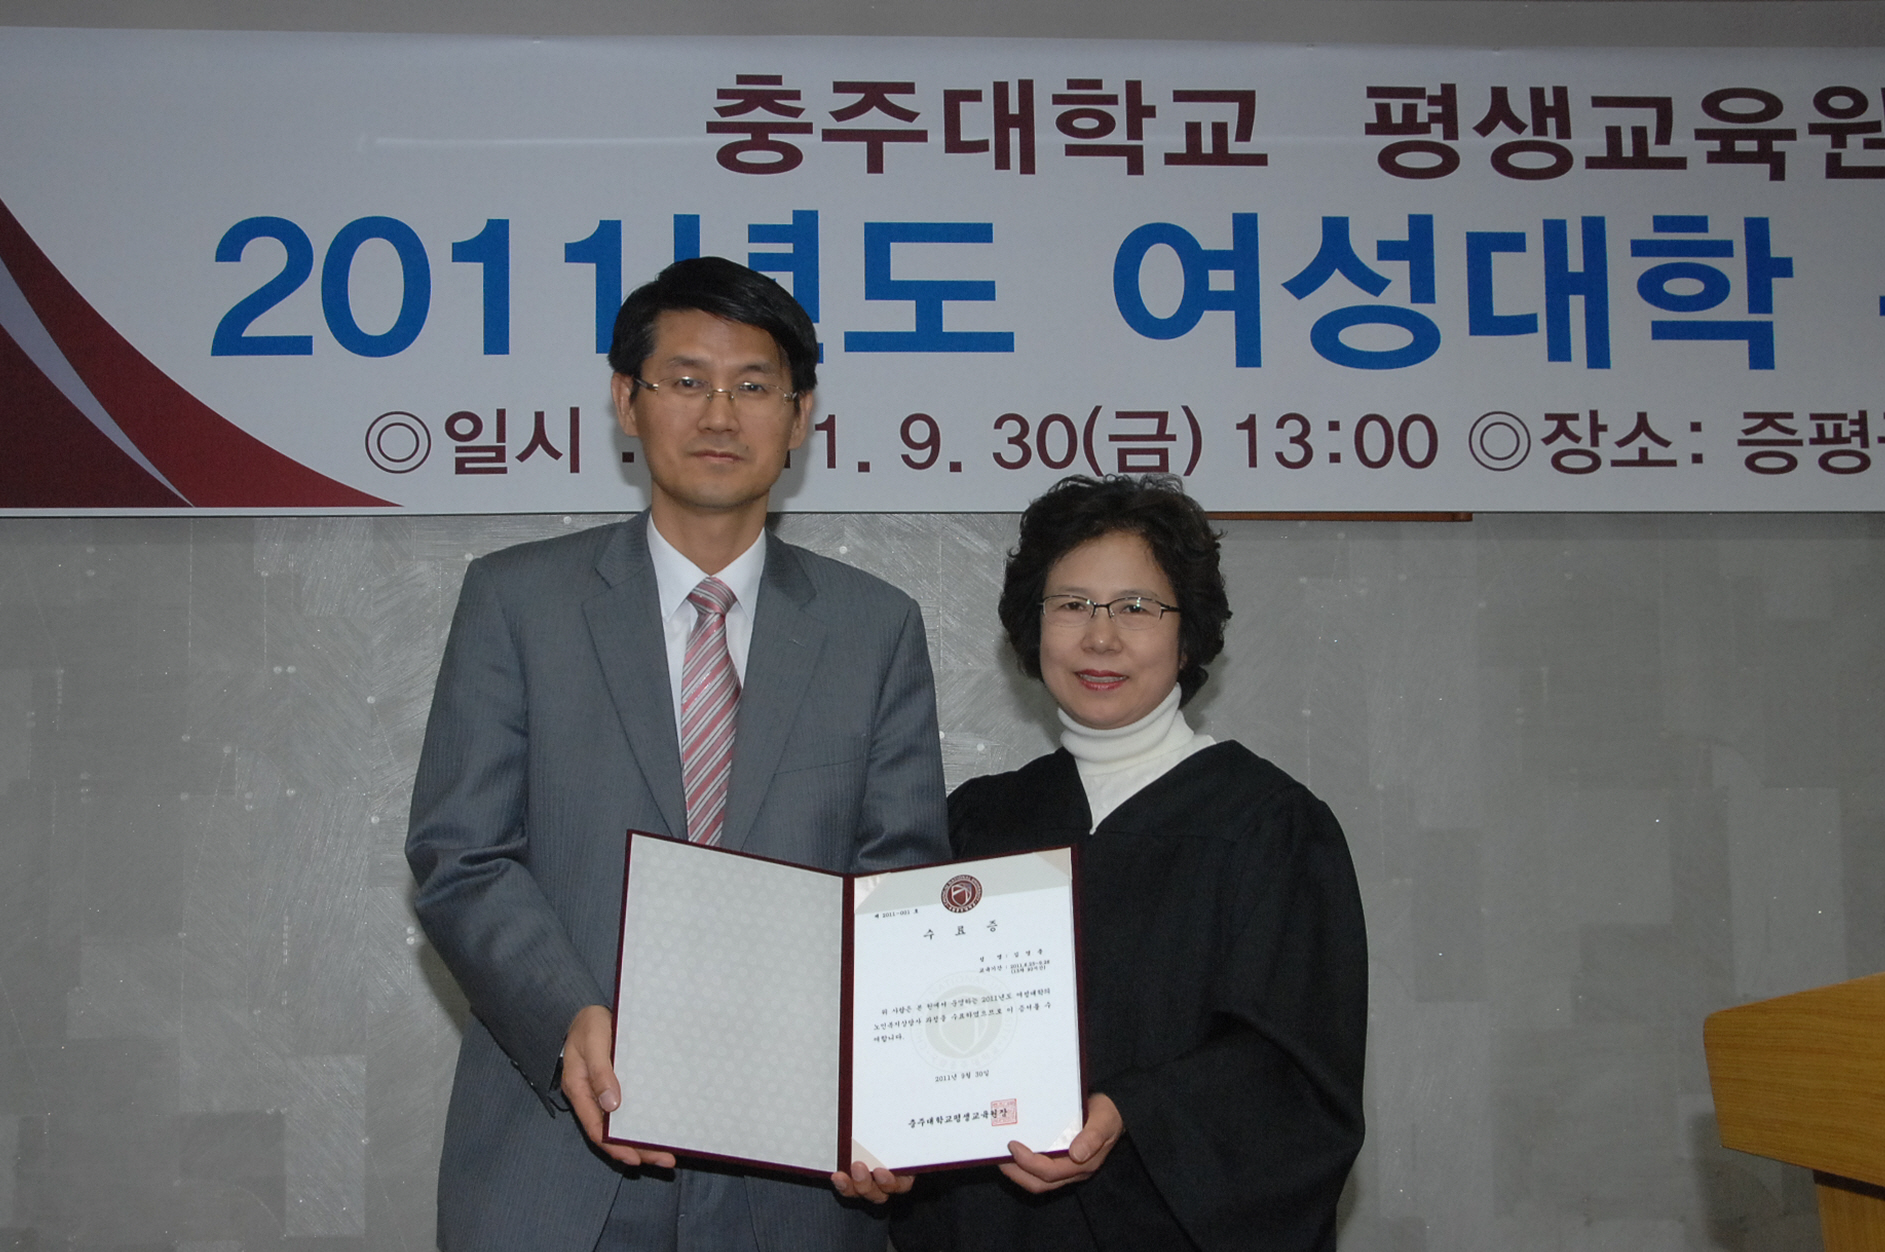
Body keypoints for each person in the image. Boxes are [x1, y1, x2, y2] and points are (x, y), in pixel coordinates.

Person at [406, 256, 948, 1251]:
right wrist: (564, 1016)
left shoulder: (873, 629)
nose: (719, 414)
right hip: (556, 1159)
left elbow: (899, 887)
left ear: (799, 416)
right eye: (686, 380)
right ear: (627, 400)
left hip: (795, 1178)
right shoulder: (516, 603)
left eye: (753, 386)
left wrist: (893, 1092)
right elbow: (460, 855)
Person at [892, 475, 1367, 1252]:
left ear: (1189, 636)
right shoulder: (977, 821)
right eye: (1071, 605)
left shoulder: (1269, 826)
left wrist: (1132, 1112)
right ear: (1031, 627)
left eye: (1137, 608)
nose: (1100, 638)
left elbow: (1294, 1078)